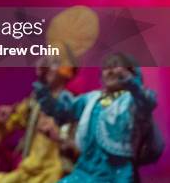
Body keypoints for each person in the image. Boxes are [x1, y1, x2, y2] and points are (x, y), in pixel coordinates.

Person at [33, 52, 161, 183]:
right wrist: (43, 81)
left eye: (116, 66)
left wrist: (130, 83)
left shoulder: (132, 102)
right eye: (106, 68)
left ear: (131, 72)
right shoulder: (90, 99)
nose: (110, 71)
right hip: (84, 172)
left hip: (117, 176)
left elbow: (145, 104)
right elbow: (60, 110)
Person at [0, 58, 78, 183]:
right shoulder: (34, 102)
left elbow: (82, 150)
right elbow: (0, 136)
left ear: (67, 70)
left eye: (53, 64)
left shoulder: (74, 105)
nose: (46, 69)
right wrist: (1, 120)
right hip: (28, 171)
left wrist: (58, 137)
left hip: (55, 174)